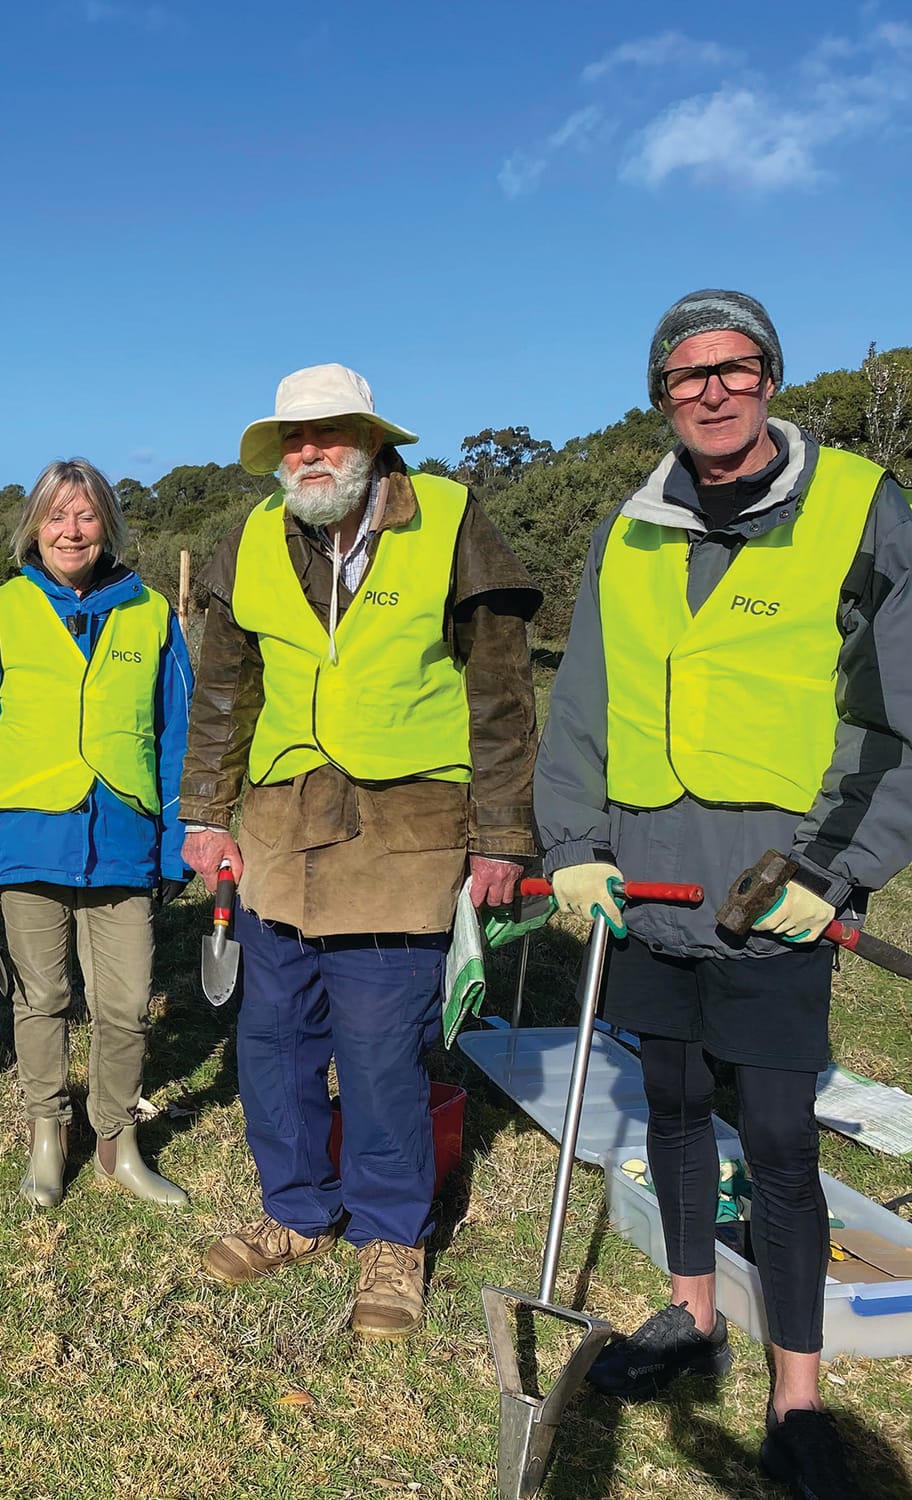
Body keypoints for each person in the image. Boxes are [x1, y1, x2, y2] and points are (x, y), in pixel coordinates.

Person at [536, 291, 912, 1496]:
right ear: (660, 396)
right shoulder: (629, 529)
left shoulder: (857, 507)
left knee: (782, 1139)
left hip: (773, 886)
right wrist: (570, 842)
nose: (710, 390)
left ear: (768, 379)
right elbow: (581, 701)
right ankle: (692, 1316)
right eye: (684, 374)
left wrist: (837, 869)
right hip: (645, 882)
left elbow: (896, 716)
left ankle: (797, 1397)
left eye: (733, 368)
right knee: (674, 1104)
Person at [183, 364, 539, 1340]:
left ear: (373, 442)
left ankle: (390, 1235)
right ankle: (297, 1209)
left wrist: (503, 835)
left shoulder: (451, 522)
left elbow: (502, 698)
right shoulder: (254, 534)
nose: (308, 453)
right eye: (291, 439)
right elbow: (223, 692)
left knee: (379, 1047)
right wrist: (204, 813)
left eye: (328, 434)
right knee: (273, 1036)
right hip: (278, 824)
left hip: (404, 826)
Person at [0, 457, 193, 1209]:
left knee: (126, 1003)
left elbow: (177, 738)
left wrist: (177, 840)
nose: (71, 531)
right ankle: (47, 1136)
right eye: (56, 516)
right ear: (34, 529)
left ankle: (116, 1140)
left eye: (85, 515)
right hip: (28, 842)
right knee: (41, 998)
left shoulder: (151, 614)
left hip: (122, 840)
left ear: (107, 525)